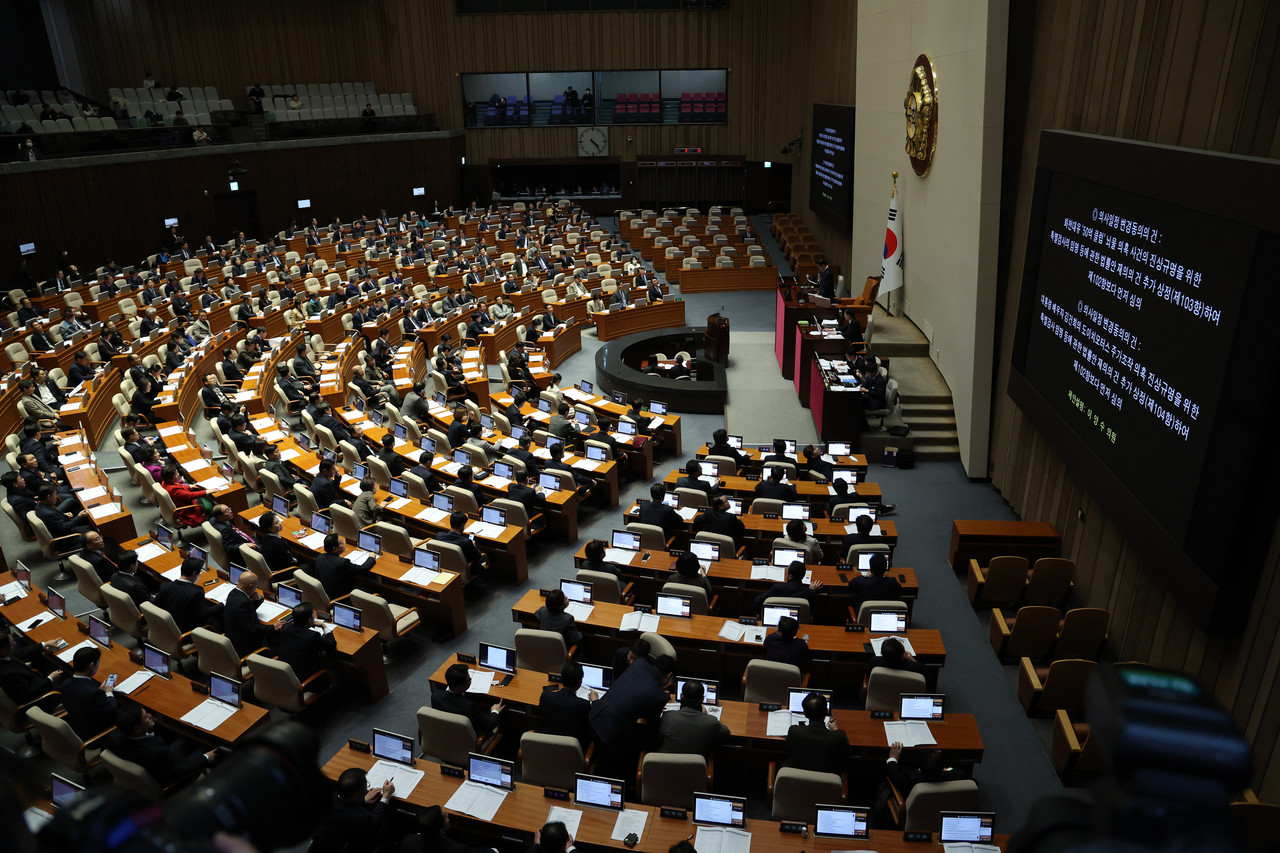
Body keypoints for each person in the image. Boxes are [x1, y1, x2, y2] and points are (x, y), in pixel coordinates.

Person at [589, 652, 674, 778]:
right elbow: (652, 725)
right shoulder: (659, 695)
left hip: (595, 716)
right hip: (613, 734)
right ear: (669, 675)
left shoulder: (639, 663)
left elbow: (633, 691)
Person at [108, 703, 217, 787]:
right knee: (208, 745)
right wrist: (205, 758)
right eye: (146, 717)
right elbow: (177, 771)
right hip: (177, 776)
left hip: (160, 764)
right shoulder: (155, 751)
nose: (150, 715)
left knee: (185, 737)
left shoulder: (114, 737)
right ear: (137, 728)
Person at [315, 767, 395, 852]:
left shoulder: (325, 798)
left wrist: (363, 800)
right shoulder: (361, 816)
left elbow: (343, 805)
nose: (367, 788)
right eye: (366, 786)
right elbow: (375, 819)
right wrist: (386, 795)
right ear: (357, 794)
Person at [659, 680, 730, 758]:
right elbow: (726, 734)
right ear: (702, 698)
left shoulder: (667, 716)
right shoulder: (711, 722)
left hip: (665, 767)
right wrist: (705, 715)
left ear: (682, 695)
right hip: (695, 769)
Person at [784, 690, 849, 774]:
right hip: (827, 782)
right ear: (826, 711)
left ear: (805, 714)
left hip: (798, 780)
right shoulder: (839, 735)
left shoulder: (794, 731)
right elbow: (847, 753)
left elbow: (787, 747)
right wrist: (836, 729)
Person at [154, 557, 223, 631]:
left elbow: (155, 605)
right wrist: (221, 605)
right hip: (184, 631)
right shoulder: (196, 593)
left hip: (165, 627)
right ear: (194, 574)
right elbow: (203, 614)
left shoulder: (165, 586)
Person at [61, 646, 117, 738]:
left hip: (77, 729)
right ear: (91, 666)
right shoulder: (93, 693)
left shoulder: (65, 684)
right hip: (96, 737)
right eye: (98, 662)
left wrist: (99, 691)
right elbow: (112, 711)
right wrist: (108, 692)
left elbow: (85, 698)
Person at [432, 663, 503, 734]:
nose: (471, 679)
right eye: (468, 679)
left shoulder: (435, 695)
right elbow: (487, 726)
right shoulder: (469, 706)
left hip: (444, 732)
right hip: (466, 739)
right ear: (460, 686)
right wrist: (495, 711)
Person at [224, 570, 283, 656]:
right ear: (251, 586)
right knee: (278, 645)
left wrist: (258, 600)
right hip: (245, 648)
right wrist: (273, 627)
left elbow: (244, 612)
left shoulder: (233, 593)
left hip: (233, 637)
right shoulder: (243, 602)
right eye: (255, 587)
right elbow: (251, 629)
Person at [538, 661, 595, 748]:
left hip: (546, 746)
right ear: (580, 681)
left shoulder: (546, 696)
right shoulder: (584, 705)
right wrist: (595, 701)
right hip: (572, 751)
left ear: (561, 678)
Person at [0, 631, 64, 706]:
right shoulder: (8, 674)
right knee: (68, 682)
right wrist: (50, 679)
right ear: (4, 651)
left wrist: (45, 644)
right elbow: (29, 694)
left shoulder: (3, 656)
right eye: (12, 643)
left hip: (36, 681)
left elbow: (21, 653)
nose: (15, 643)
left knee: (42, 660)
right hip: (43, 699)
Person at [278, 603, 336, 681]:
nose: (314, 617)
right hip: (305, 681)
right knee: (336, 675)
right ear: (309, 620)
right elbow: (331, 644)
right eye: (313, 616)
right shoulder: (312, 636)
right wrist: (324, 626)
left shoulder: (285, 627)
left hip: (284, 675)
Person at [754, 560, 823, 613]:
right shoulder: (809, 593)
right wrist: (812, 590)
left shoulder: (778, 588)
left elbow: (757, 601)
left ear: (790, 576)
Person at [316, 533, 369, 599]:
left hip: (326, 593)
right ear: (334, 549)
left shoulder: (320, 557)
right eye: (341, 543)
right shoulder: (342, 563)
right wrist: (371, 558)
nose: (343, 544)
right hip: (341, 597)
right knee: (370, 589)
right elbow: (363, 569)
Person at [437, 511, 486, 578]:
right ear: (462, 524)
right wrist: (473, 546)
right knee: (489, 556)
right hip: (466, 570)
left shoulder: (439, 536)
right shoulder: (466, 542)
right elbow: (478, 556)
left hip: (445, 567)